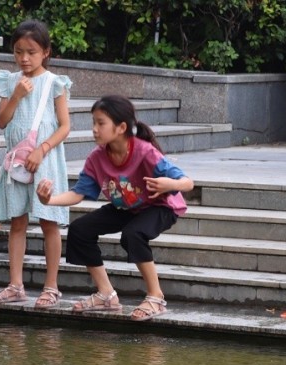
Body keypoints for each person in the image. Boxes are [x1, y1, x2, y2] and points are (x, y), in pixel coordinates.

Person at [36, 94, 194, 320]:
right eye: (94, 123)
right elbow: (78, 193)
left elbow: (188, 183)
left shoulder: (145, 152)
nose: (94, 129)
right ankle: (106, 294)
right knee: (80, 230)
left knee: (133, 234)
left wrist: (171, 184)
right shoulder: (96, 158)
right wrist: (48, 200)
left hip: (161, 206)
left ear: (120, 127)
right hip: (127, 208)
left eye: (101, 123)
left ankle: (156, 297)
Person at [0, 19, 73, 309]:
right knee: (18, 222)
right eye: (19, 51)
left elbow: (64, 126)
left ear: (46, 52)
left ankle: (51, 287)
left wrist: (43, 150)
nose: (24, 58)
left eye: (31, 52)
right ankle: (15, 285)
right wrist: (16, 95)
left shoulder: (54, 83)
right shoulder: (11, 81)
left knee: (49, 222)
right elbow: (1, 121)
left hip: (45, 162)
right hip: (16, 165)